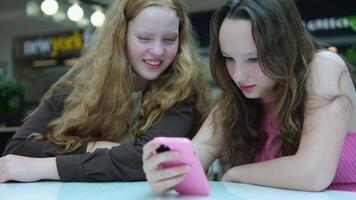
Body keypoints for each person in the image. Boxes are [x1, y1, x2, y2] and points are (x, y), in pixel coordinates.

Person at [143, 0, 356, 193]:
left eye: (253, 59)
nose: (238, 75)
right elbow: (200, 150)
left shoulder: (323, 66)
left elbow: (313, 173)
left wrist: (236, 174)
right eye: (229, 58)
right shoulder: (237, 99)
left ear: (285, 47)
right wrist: (166, 168)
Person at [1, 0, 210, 182]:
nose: (157, 51)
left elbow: (150, 160)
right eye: (145, 38)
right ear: (120, 36)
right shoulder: (80, 82)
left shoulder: (182, 86)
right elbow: (17, 150)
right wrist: (92, 147)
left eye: (169, 39)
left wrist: (48, 166)